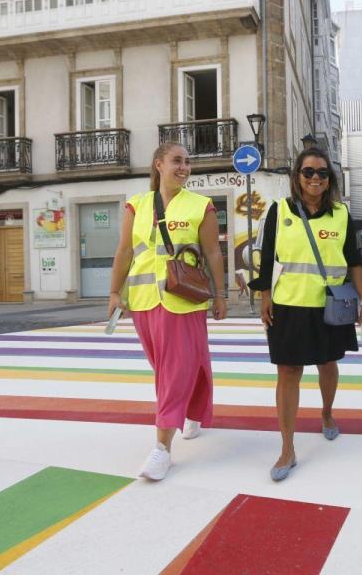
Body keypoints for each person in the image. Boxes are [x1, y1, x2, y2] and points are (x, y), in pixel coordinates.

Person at [250, 147, 362, 482]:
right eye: (308, 172)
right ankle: (287, 448)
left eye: (322, 173)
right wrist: (265, 296)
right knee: (288, 372)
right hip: (288, 305)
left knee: (327, 364)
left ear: (330, 179)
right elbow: (265, 259)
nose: (315, 178)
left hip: (330, 306)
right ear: (297, 177)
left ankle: (326, 413)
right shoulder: (279, 211)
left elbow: (355, 263)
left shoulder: (341, 214)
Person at [108, 142, 227, 481]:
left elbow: (213, 254)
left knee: (174, 372)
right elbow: (125, 251)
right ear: (158, 164)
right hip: (144, 301)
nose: (184, 168)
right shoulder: (137, 205)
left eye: (188, 162)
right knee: (171, 366)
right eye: (177, 161)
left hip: (184, 299)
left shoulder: (200, 206)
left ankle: (162, 448)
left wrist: (220, 295)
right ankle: (194, 409)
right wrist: (115, 292)